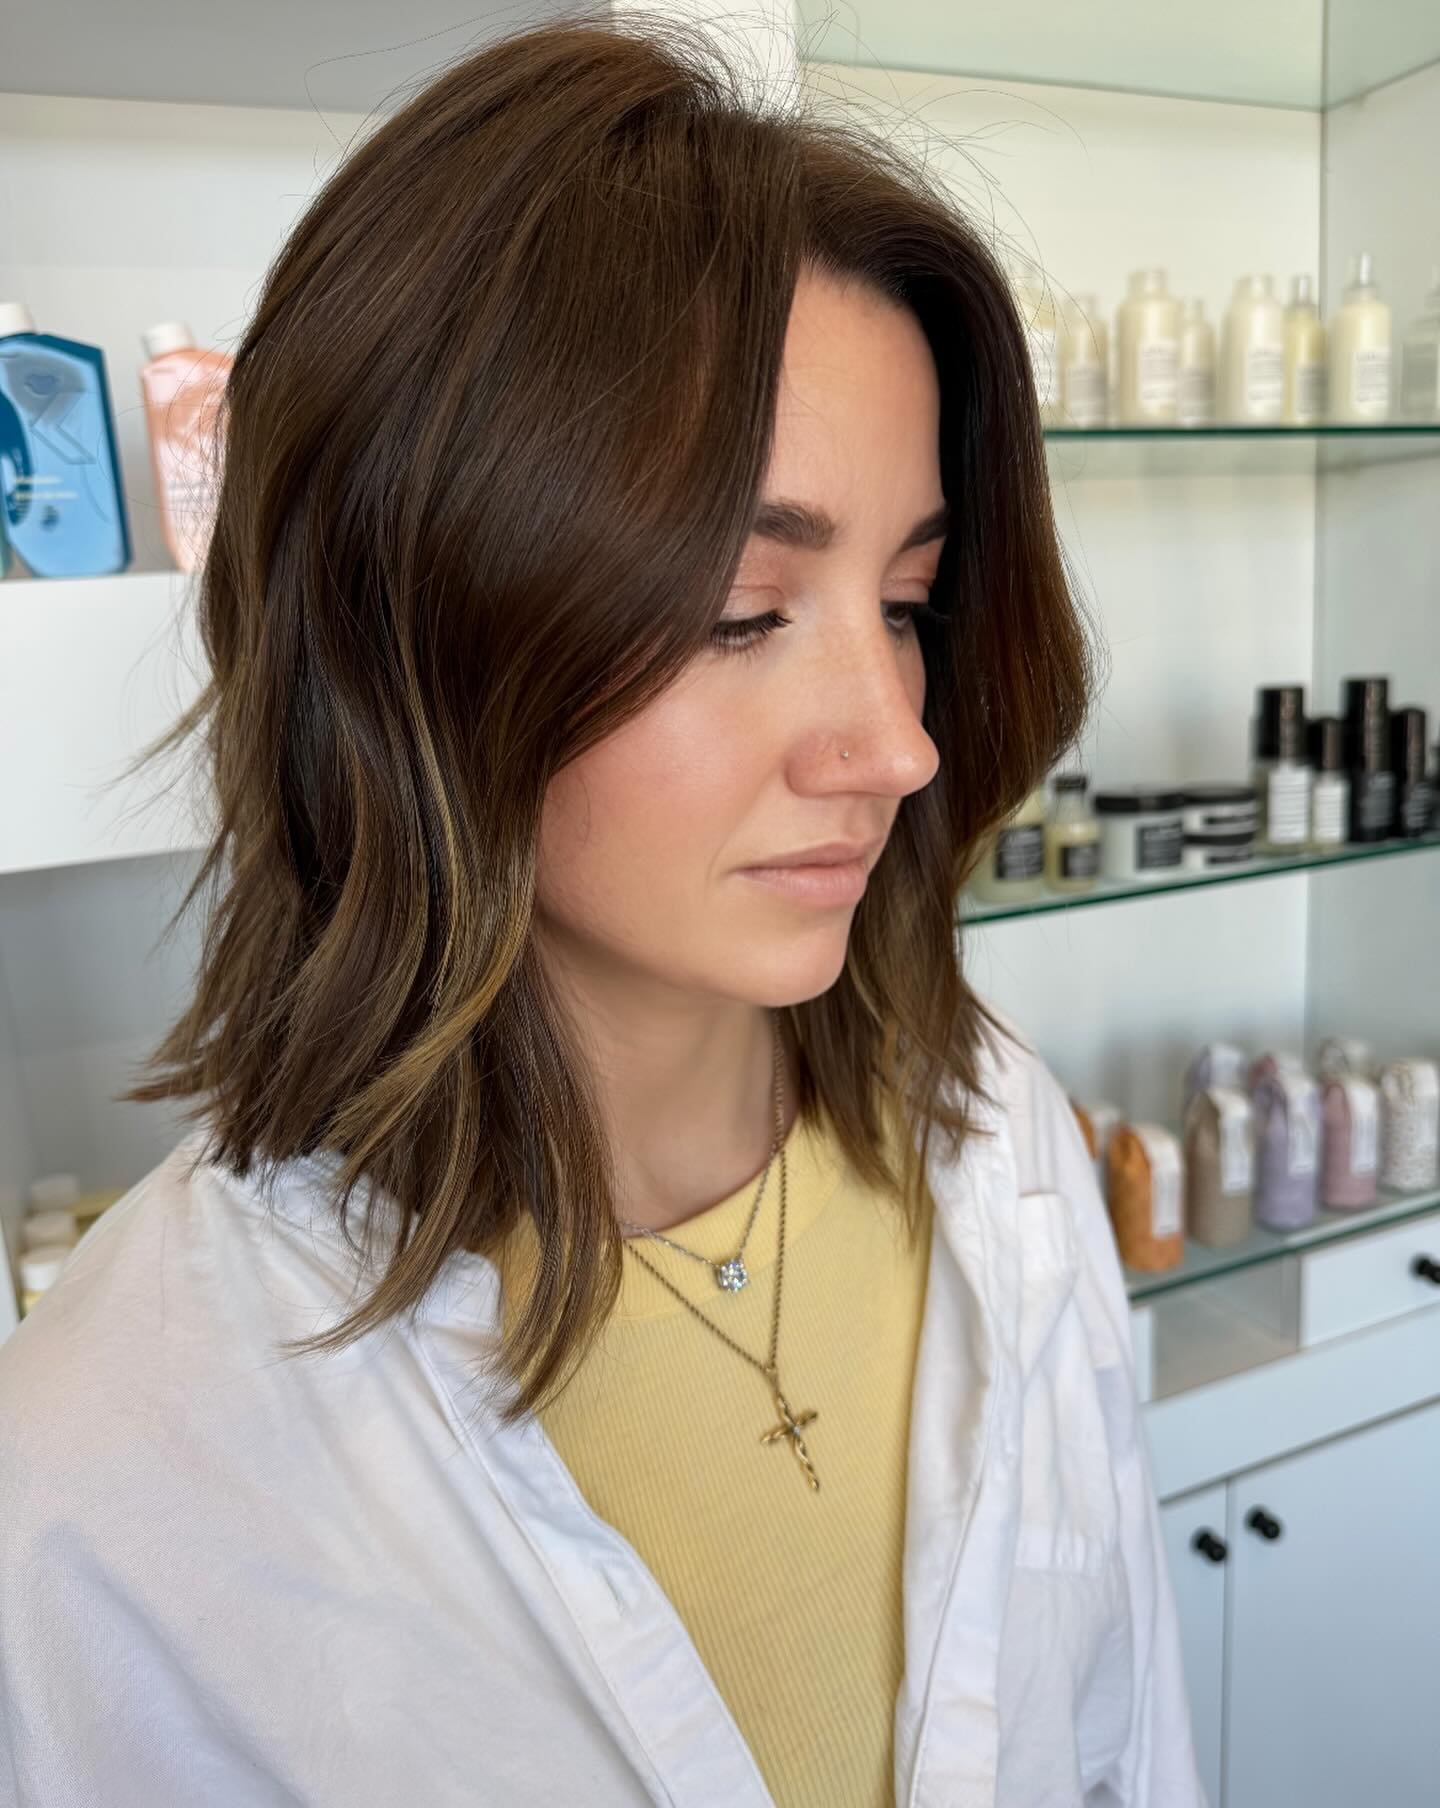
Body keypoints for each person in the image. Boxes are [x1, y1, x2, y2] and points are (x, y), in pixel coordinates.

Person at [0, 14, 1206, 1806]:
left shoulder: (999, 1143)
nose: (892, 744)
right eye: (738, 614)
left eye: (909, 600)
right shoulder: (114, 1462)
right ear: (413, 628)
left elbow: (1128, 1747)